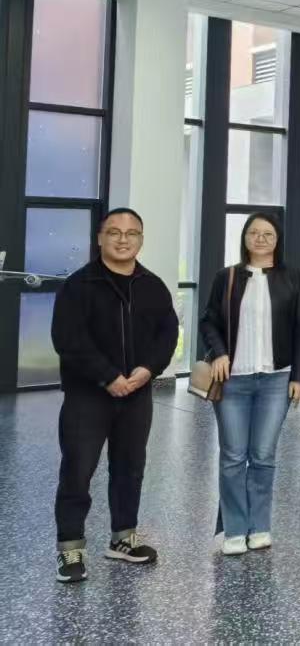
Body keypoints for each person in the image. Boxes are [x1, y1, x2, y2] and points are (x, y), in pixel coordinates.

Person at [50, 207, 177, 584]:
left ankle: (123, 538)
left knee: (130, 467)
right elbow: (68, 340)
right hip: (87, 396)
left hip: (136, 394)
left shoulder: (152, 285)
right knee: (78, 470)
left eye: (131, 233)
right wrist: (108, 377)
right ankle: (70, 547)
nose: (123, 239)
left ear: (141, 239)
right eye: (114, 232)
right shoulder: (79, 285)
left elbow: (167, 334)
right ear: (100, 238)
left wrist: (148, 370)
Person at [200, 212, 300, 556]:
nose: (260, 239)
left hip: (277, 379)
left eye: (268, 234)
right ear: (245, 237)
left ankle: (259, 526)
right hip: (233, 380)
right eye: (254, 233)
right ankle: (234, 529)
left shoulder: (293, 278)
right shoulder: (227, 277)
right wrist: (219, 353)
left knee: (263, 456)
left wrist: (299, 377)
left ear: (278, 240)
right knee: (233, 456)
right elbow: (208, 321)